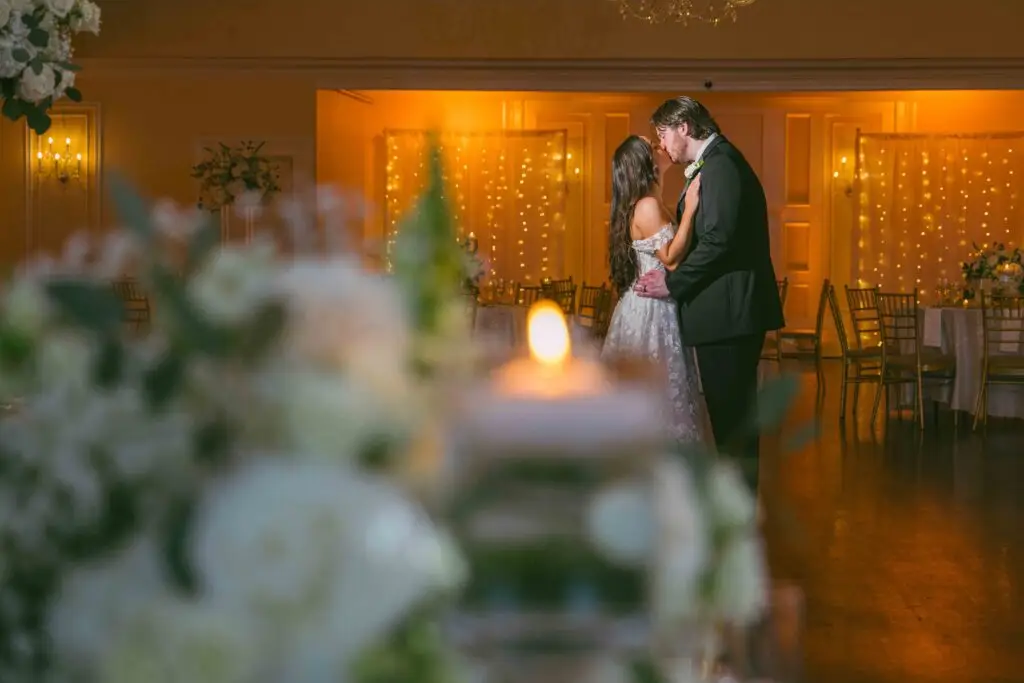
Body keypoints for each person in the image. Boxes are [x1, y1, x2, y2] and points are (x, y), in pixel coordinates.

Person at [635, 96, 785, 491]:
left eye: (663, 134)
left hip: (730, 314)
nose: (662, 145)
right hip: (725, 313)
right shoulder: (716, 163)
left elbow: (719, 240)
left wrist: (672, 282)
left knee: (732, 420)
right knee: (729, 419)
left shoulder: (722, 166)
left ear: (684, 127)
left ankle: (738, 511)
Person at [600, 134, 713, 446]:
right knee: (657, 398)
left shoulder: (646, 203)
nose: (660, 146)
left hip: (648, 306)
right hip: (651, 312)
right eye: (652, 146)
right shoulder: (648, 205)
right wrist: (690, 208)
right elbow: (672, 259)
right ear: (645, 164)